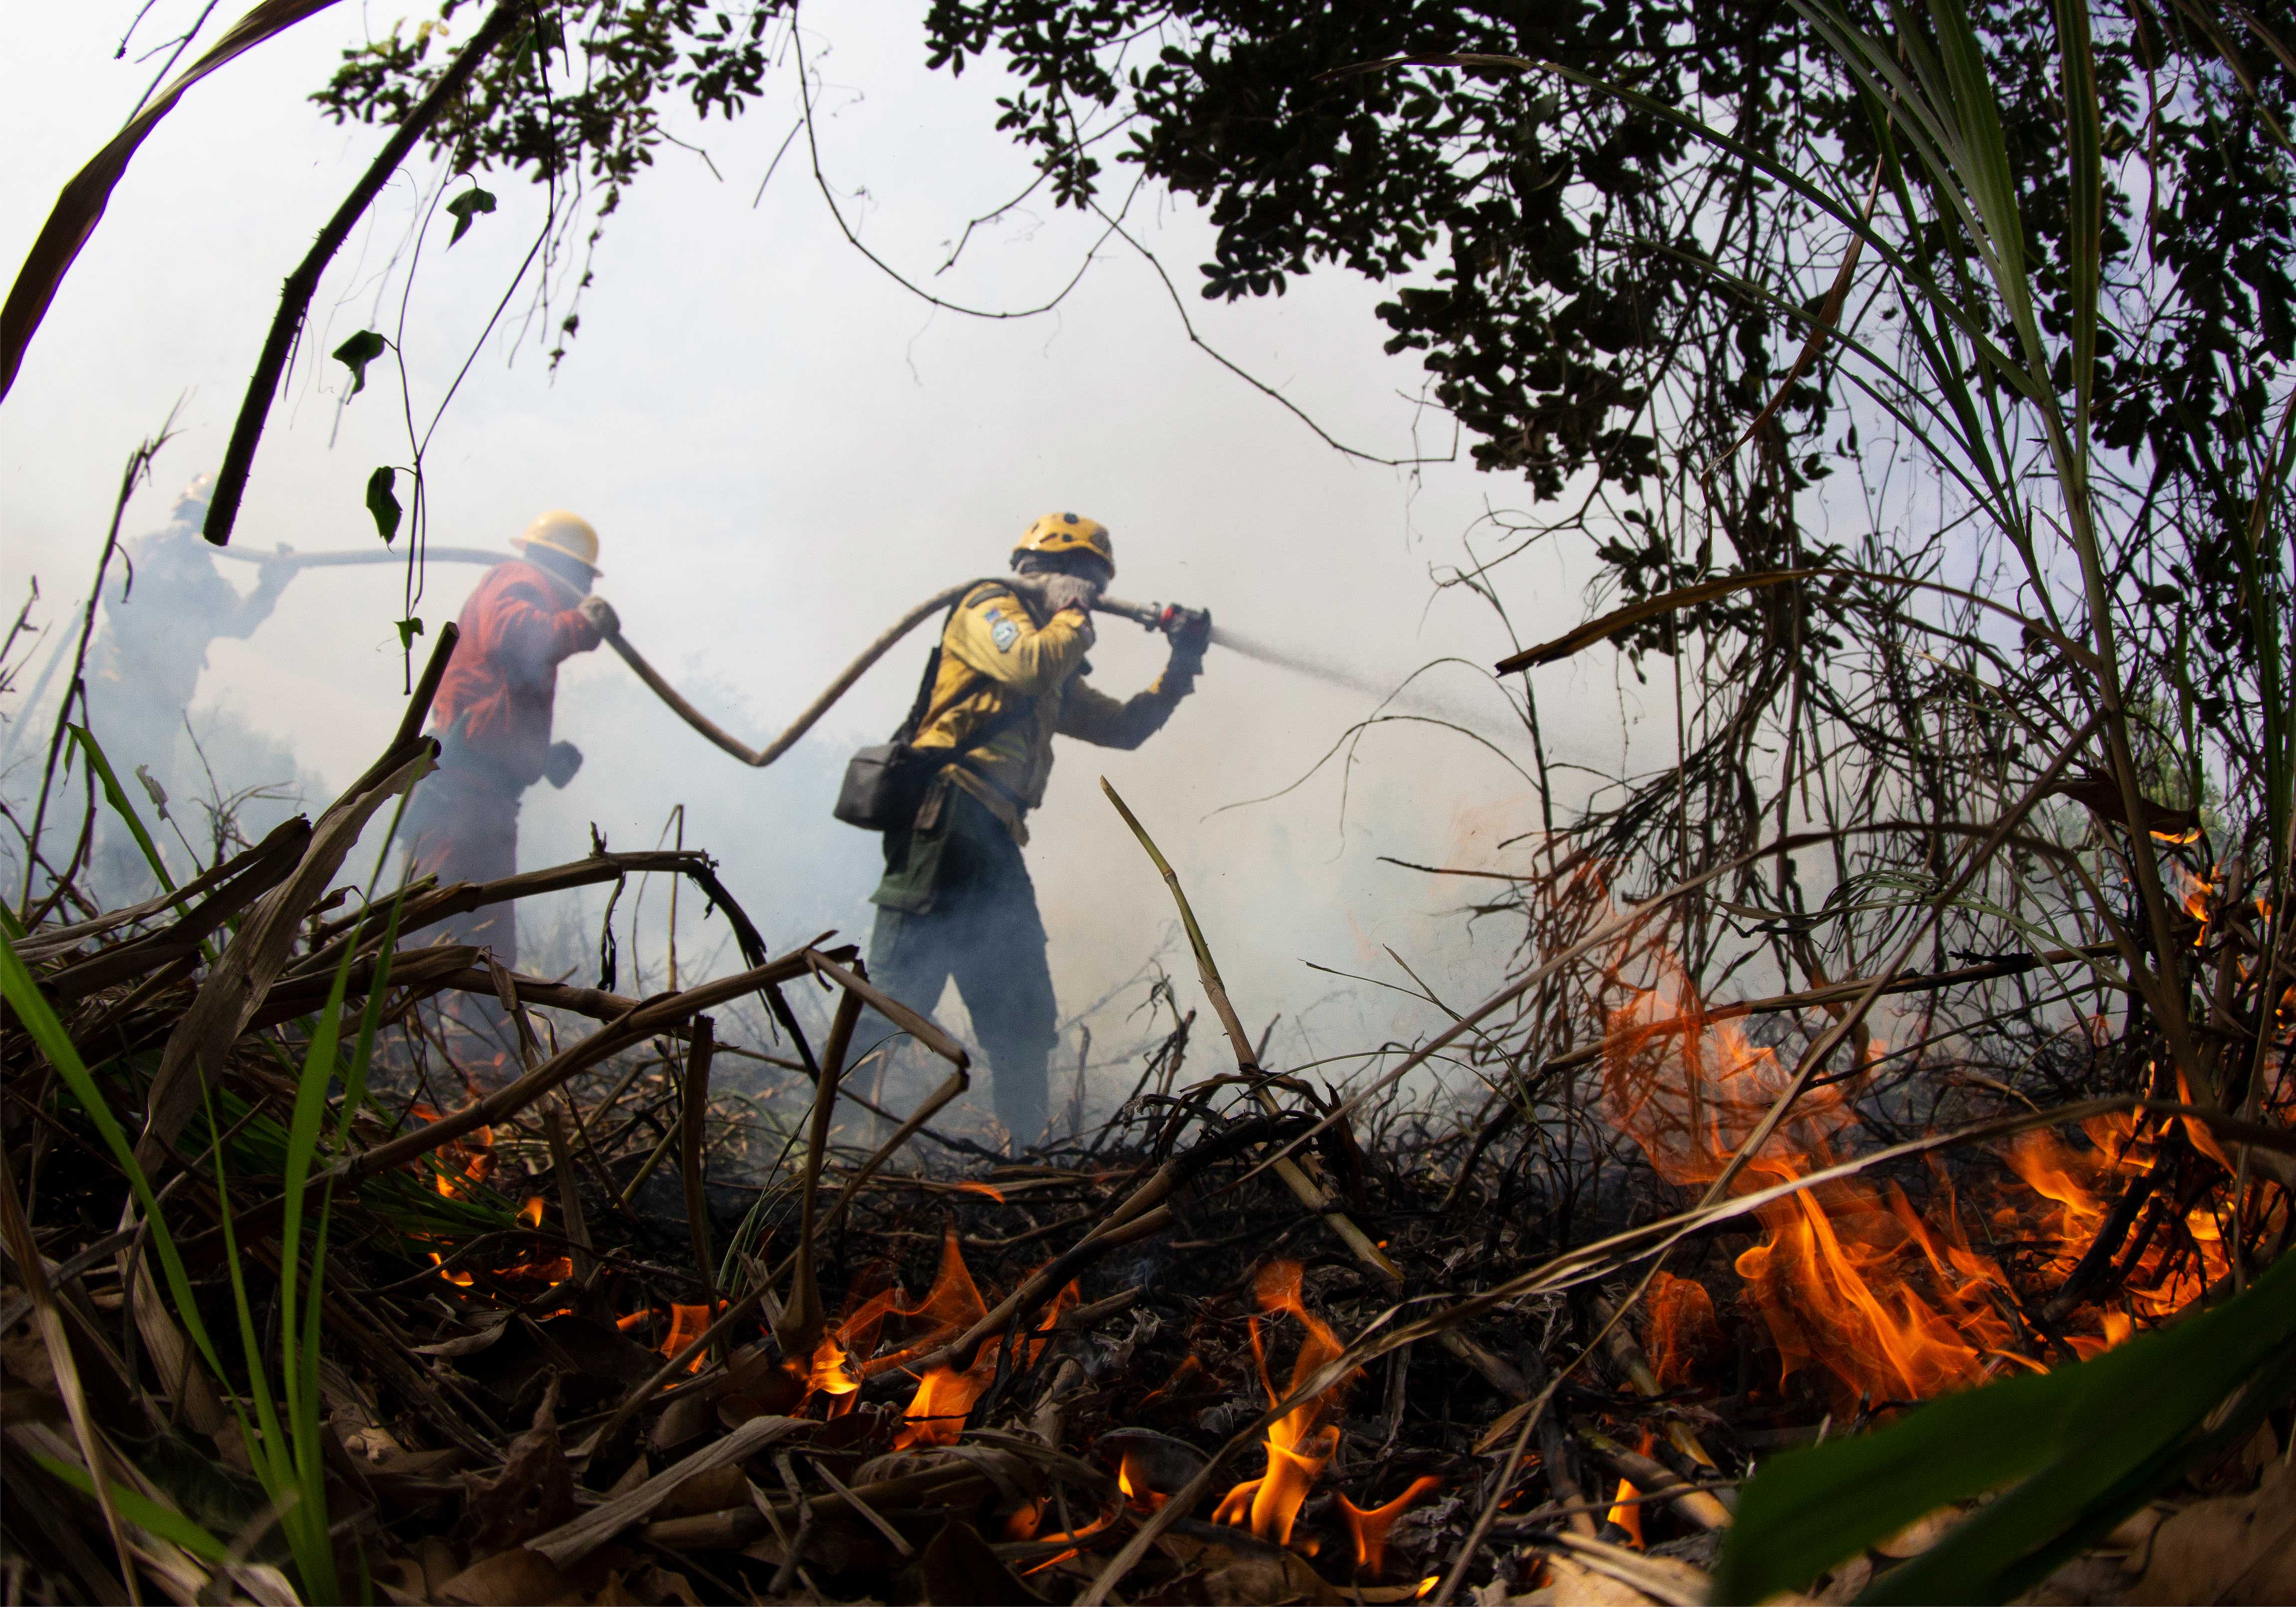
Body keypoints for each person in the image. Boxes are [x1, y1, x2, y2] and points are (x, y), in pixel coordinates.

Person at [863, 511, 1210, 1148]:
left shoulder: (1054, 660)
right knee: (894, 997)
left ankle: (1025, 1151)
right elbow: (1026, 664)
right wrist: (1073, 614)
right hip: (944, 819)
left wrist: (1181, 663)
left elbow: (1122, 728)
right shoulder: (986, 607)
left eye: (1094, 584)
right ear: (1044, 571)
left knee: (1021, 1012)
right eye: (1081, 578)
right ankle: (830, 1137)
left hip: (994, 836)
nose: (1089, 593)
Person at [403, 510, 616, 970]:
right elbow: (517, 637)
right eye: (583, 577)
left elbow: (495, 707)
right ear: (562, 567)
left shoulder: (528, 591)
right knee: (454, 950)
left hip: (482, 802)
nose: (585, 590)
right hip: (463, 802)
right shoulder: (518, 580)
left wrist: (537, 759)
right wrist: (583, 624)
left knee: (473, 950)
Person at [80, 472, 300, 898]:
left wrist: (271, 584)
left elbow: (239, 623)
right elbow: (115, 593)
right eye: (189, 514)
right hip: (110, 694)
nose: (191, 524)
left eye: (201, 518)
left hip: (159, 708)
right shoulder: (145, 550)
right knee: (86, 795)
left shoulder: (208, 585)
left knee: (140, 807)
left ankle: (114, 897)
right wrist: (162, 554)